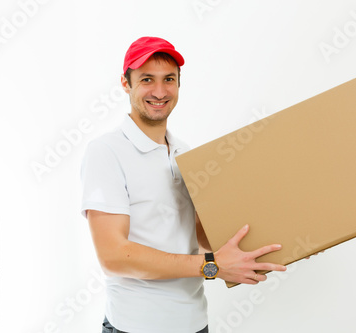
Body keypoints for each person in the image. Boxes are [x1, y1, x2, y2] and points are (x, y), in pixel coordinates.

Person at [80, 36, 287, 333]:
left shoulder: (185, 153)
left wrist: (291, 236)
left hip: (194, 323)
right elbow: (114, 256)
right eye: (147, 79)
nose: (160, 91)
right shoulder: (106, 151)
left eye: (169, 79)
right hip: (135, 327)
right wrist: (211, 265)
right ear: (126, 84)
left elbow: (205, 236)